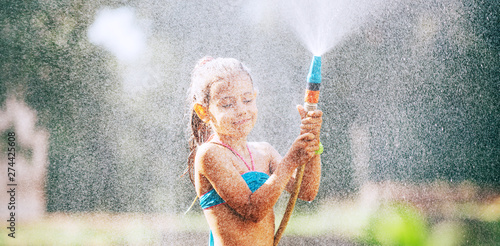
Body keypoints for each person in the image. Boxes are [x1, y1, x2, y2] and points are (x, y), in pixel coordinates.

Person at [186, 56, 322, 246]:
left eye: (247, 100)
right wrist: (290, 161)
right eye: (227, 104)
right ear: (204, 112)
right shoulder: (210, 154)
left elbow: (306, 191)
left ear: (255, 97)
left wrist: (312, 140)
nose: (241, 110)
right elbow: (253, 210)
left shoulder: (264, 152)